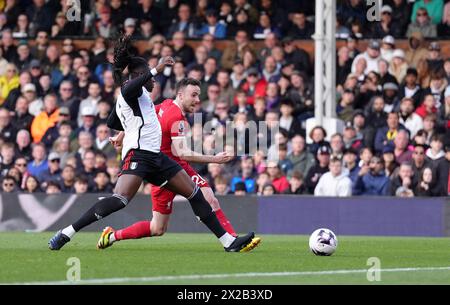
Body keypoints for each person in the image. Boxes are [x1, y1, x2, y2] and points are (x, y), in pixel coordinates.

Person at [48, 35, 259, 253]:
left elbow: (112, 120)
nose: (154, 81)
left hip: (156, 157)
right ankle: (67, 232)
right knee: (120, 200)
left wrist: (123, 130)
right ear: (140, 75)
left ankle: (228, 242)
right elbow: (128, 90)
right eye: (150, 76)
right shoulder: (131, 90)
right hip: (138, 155)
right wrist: (156, 68)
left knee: (195, 193)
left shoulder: (142, 98)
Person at [108, 77, 240, 245]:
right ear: (180, 94)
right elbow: (183, 153)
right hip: (166, 170)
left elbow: (139, 119)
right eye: (193, 95)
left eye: (198, 96)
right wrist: (216, 159)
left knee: (206, 198)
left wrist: (121, 135)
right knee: (158, 227)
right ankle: (112, 236)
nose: (197, 100)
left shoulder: (164, 104)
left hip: (172, 168)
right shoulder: (177, 117)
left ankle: (232, 239)